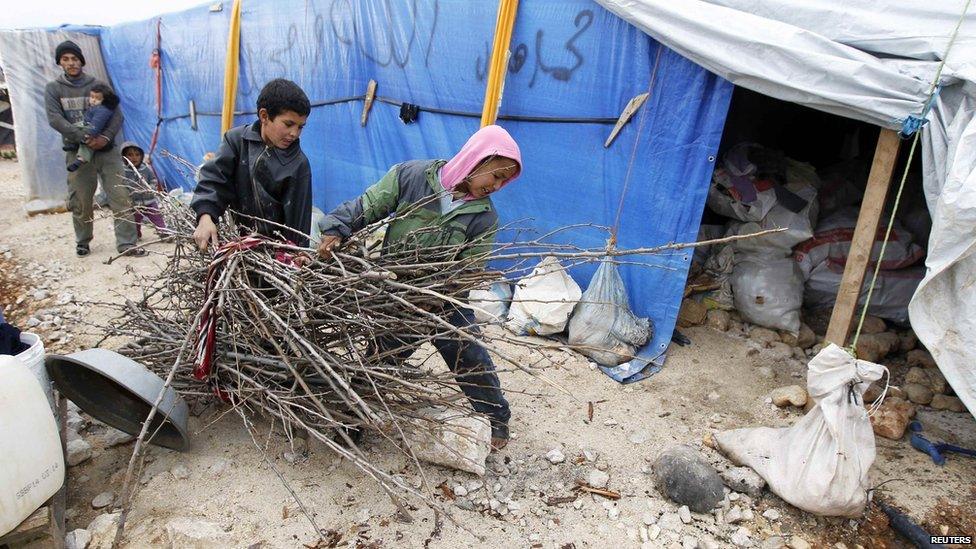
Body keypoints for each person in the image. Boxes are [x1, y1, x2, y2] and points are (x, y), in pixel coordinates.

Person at [316, 125, 522, 450]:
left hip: (444, 300)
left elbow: (469, 271)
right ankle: (349, 424)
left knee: (468, 353)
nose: (496, 186)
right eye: (496, 175)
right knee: (382, 358)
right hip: (397, 291)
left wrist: (437, 296)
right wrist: (337, 228)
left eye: (503, 181)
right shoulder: (411, 177)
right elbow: (369, 204)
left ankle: (496, 420)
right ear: (478, 158)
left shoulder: (484, 217)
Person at [45, 40, 143, 257]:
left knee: (121, 196)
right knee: (81, 200)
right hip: (76, 151)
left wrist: (105, 138)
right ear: (60, 62)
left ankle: (127, 244)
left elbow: (116, 115)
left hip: (106, 152)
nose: (71, 63)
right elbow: (54, 119)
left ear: (81, 60)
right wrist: (83, 136)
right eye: (65, 59)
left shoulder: (98, 86)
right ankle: (83, 240)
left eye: (74, 58)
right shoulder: (54, 89)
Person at [191, 79, 312, 251]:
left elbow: (299, 222)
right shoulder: (236, 142)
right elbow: (214, 180)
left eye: (301, 127)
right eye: (288, 124)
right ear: (264, 116)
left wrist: (297, 253)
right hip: (237, 245)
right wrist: (205, 216)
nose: (294, 133)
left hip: (273, 254)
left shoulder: (298, 164)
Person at [66, 84, 119, 172]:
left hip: (95, 131)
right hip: (87, 125)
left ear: (105, 100)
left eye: (97, 98)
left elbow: (96, 125)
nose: (93, 100)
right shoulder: (95, 107)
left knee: (88, 146)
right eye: (92, 97)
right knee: (72, 128)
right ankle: (74, 143)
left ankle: (80, 160)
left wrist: (89, 134)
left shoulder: (103, 110)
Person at [120, 142, 168, 239]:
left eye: (137, 155)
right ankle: (136, 235)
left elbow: (154, 179)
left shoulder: (145, 168)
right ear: (124, 157)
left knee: (157, 217)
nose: (134, 158)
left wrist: (150, 188)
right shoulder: (123, 171)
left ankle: (163, 232)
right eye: (130, 155)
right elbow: (122, 184)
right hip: (135, 203)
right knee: (135, 220)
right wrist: (132, 190)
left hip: (149, 200)